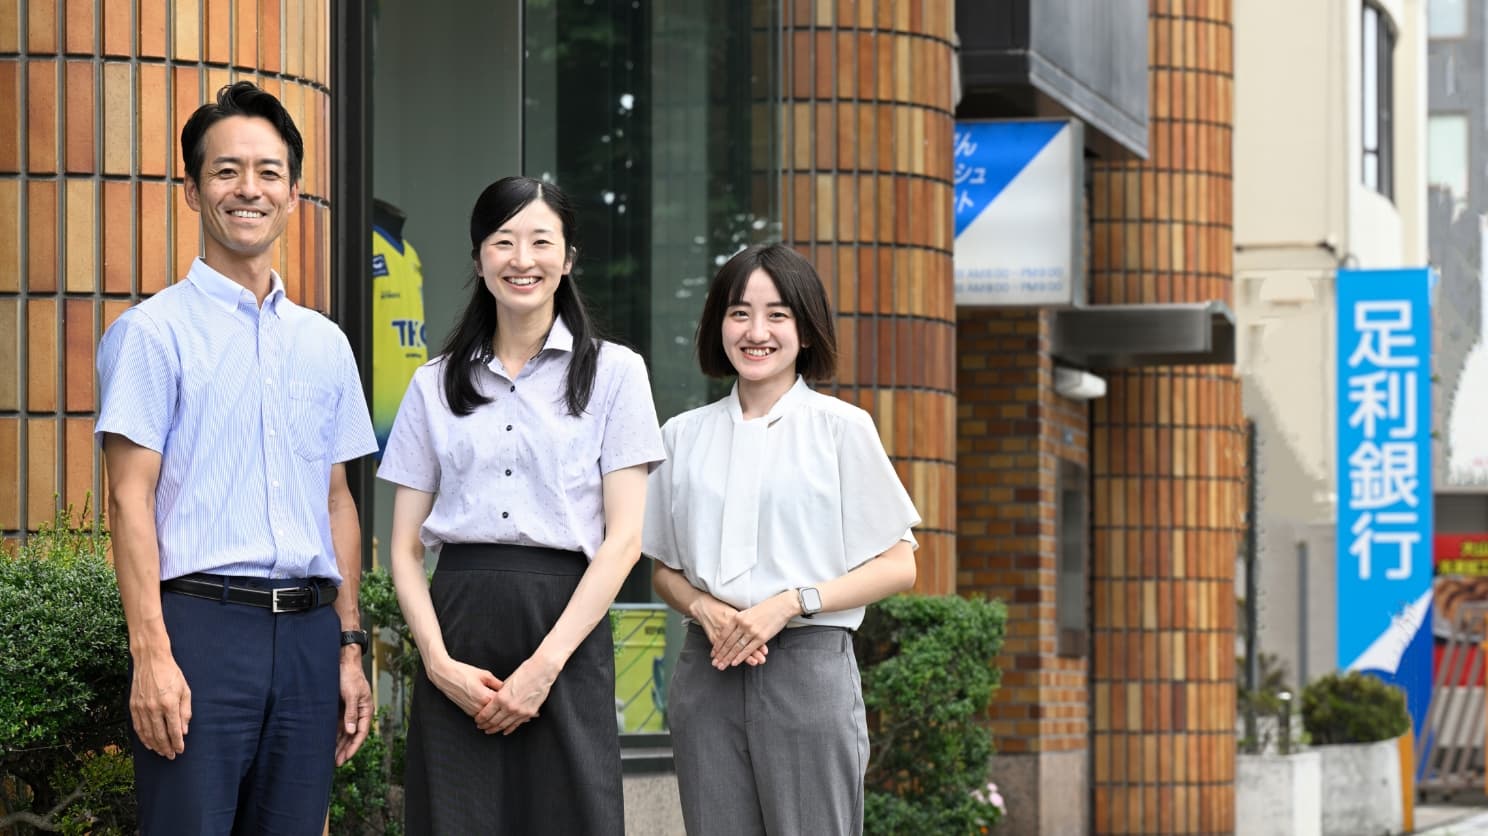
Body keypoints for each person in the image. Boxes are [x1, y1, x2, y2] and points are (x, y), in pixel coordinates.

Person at [95, 81, 378, 835]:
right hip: (201, 633)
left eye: (268, 171)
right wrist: (151, 655)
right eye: (225, 171)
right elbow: (129, 500)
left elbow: (337, 502)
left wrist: (350, 648)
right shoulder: (151, 335)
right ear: (191, 191)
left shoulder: (326, 343)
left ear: (293, 192)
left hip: (313, 639)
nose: (247, 189)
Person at [377, 176, 664, 835]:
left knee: (571, 816)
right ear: (479, 259)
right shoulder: (433, 384)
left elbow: (623, 540)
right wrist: (437, 662)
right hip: (458, 626)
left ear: (567, 259)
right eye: (503, 241)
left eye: (541, 241)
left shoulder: (616, 374)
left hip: (565, 626)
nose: (522, 259)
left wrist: (544, 666)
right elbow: (402, 546)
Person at [642, 243, 921, 836]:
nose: (756, 331)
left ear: (806, 328)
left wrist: (792, 601)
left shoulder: (841, 429)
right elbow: (662, 567)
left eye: (777, 315)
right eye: (739, 313)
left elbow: (900, 565)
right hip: (708, 666)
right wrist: (703, 608)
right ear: (718, 324)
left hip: (808, 667)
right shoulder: (681, 437)